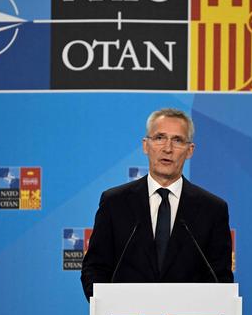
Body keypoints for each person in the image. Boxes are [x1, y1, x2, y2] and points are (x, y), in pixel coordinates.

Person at [81, 108, 233, 301]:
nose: (167, 148)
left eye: (177, 140)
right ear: (146, 145)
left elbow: (220, 279)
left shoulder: (213, 209)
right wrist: (107, 308)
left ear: (190, 150)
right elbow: (94, 268)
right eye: (160, 137)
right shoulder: (114, 202)